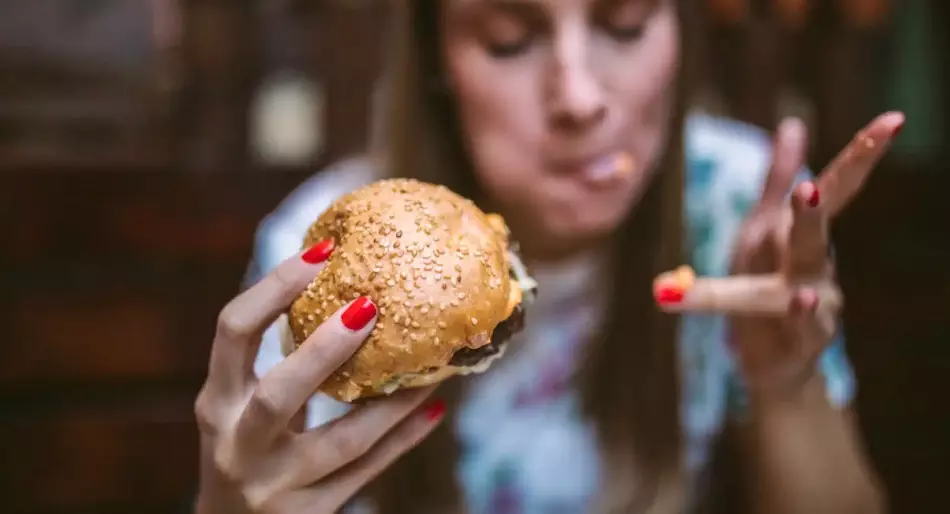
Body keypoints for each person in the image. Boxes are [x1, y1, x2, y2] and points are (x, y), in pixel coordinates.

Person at [193, 1, 899, 513]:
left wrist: (787, 387)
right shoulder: (320, 261)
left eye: (623, 25)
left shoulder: (743, 210)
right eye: (508, 39)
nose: (581, 98)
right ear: (438, 60)